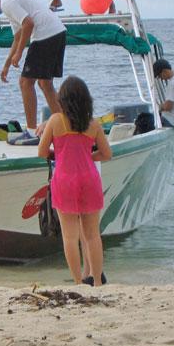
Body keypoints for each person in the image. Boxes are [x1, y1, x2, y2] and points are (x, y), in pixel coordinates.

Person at [38, 76, 112, 286]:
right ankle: (97, 281)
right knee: (92, 235)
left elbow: (42, 151)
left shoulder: (55, 121)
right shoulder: (93, 124)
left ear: (62, 99)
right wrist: (87, 156)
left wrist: (59, 156)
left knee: (70, 237)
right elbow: (106, 154)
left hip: (64, 180)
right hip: (89, 179)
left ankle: (78, 282)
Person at [0, 0, 66, 139]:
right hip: (57, 31)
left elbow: (28, 24)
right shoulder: (8, 4)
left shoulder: (6, 2)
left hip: (45, 33)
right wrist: (6, 65)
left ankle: (31, 132)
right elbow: (17, 36)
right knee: (45, 83)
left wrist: (19, 53)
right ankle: (65, 127)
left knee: (25, 82)